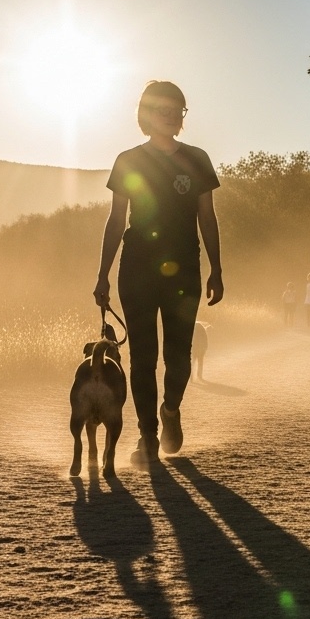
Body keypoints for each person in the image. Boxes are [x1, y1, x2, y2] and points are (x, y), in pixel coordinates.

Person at [93, 81, 223, 462]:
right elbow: (117, 220)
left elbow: (208, 217)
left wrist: (217, 268)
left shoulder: (197, 159)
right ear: (146, 114)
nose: (170, 117)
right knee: (144, 356)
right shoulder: (129, 160)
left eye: (177, 110)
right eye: (162, 109)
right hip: (136, 268)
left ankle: (170, 410)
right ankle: (146, 436)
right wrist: (102, 274)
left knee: (179, 354)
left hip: (184, 270)